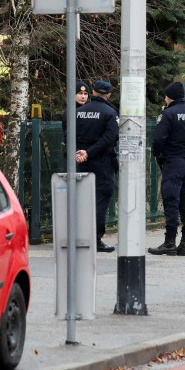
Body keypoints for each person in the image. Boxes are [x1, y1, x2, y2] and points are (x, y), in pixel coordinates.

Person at [62, 79, 119, 252]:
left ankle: (78, 236)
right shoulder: (110, 113)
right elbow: (110, 139)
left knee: (82, 199)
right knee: (100, 200)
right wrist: (89, 152)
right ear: (108, 95)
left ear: (93, 93)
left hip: (81, 162)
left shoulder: (77, 112)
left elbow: (69, 135)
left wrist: (79, 152)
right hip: (101, 162)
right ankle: (95, 239)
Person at [149, 81, 185, 255]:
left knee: (171, 200)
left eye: (165, 97)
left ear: (170, 97)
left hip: (172, 162)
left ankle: (169, 241)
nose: (165, 99)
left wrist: (159, 154)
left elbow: (158, 140)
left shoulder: (168, 114)